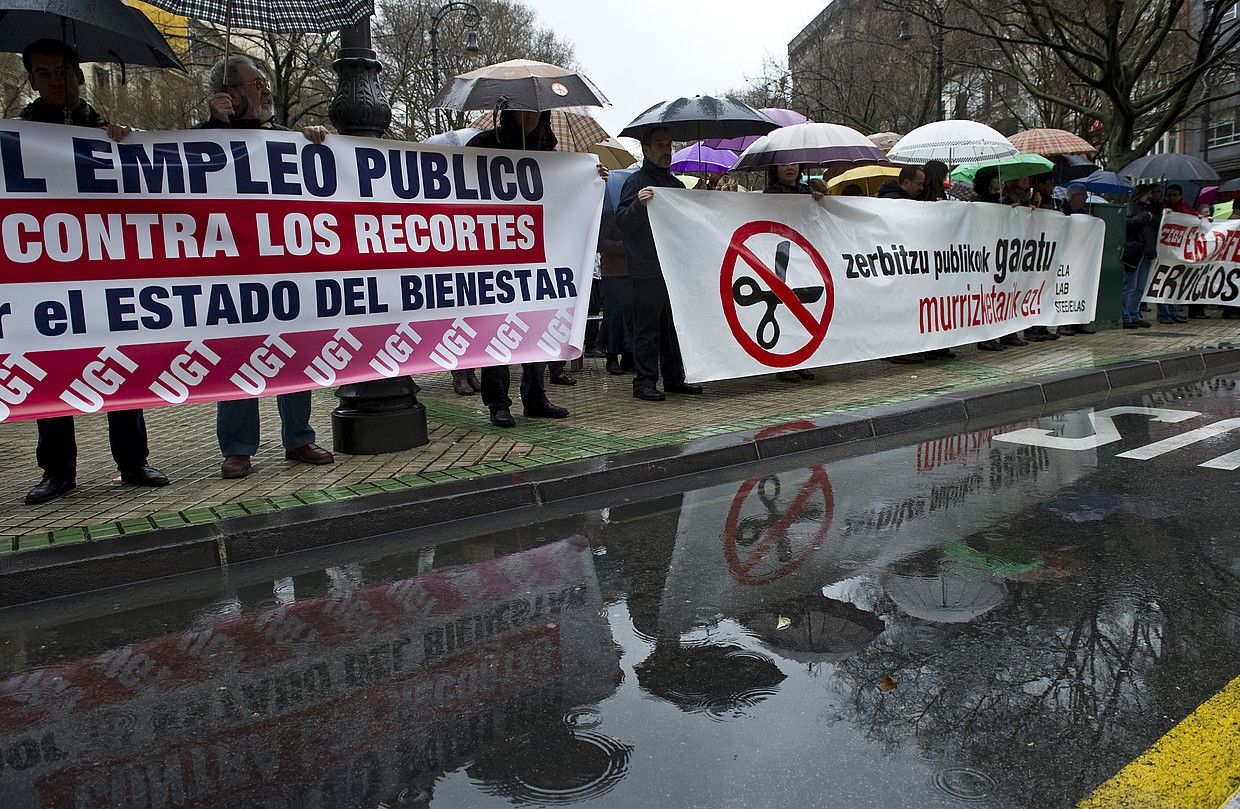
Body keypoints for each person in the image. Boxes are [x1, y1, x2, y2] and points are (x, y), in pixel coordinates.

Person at [18, 40, 168, 505]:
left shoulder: (105, 130)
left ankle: (133, 462)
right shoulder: (18, 133)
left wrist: (125, 140)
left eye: (62, 70)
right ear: (32, 81)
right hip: (46, 275)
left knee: (120, 367)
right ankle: (57, 472)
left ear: (79, 76)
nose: (55, 80)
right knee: (53, 369)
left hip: (107, 272)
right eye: (43, 74)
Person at [199, 55, 335, 477]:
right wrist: (216, 125)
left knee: (293, 354)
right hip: (233, 270)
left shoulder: (283, 138)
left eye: (264, 82)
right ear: (230, 92)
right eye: (256, 84)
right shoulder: (204, 137)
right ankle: (238, 448)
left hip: (284, 267)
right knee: (239, 355)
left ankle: (300, 438)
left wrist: (313, 139)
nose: (266, 89)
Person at [467, 110, 607, 424]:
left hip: (539, 256)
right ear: (508, 113)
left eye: (534, 112)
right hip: (496, 255)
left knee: (537, 327)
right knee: (496, 330)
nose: (529, 117)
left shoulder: (551, 155)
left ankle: (535, 397)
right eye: (522, 111)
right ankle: (498, 403)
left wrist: (592, 179)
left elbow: (570, 197)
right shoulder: (485, 145)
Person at [617, 126, 703, 402]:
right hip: (646, 270)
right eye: (660, 145)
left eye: (669, 145)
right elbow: (623, 224)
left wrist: (700, 199)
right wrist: (638, 206)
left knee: (673, 328)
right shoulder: (635, 183)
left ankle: (674, 378)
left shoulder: (677, 186)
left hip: (673, 269)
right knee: (648, 329)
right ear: (646, 149)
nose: (667, 150)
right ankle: (644, 382)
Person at [764, 165, 820, 380]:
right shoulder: (771, 194)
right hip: (780, 257)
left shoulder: (806, 191)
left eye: (793, 163)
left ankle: (801, 361)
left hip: (802, 257)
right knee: (784, 310)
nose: (790, 168)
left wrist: (818, 202)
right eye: (784, 164)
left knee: (802, 309)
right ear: (775, 169)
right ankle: (783, 365)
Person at [972, 167, 1026, 351]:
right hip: (984, 258)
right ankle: (986, 336)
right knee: (986, 297)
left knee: (1001, 296)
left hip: (1001, 255)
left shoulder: (1000, 199)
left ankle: (1003, 332)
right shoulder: (978, 201)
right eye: (996, 177)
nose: (999, 180)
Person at [597, 213, 634, 375]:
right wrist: (624, 245)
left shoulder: (632, 216)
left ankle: (629, 354)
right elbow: (601, 244)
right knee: (613, 316)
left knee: (630, 314)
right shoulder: (608, 217)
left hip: (632, 272)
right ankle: (611, 356)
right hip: (612, 273)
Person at [1123, 183, 1160, 329]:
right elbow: (1128, 223)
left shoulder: (1151, 209)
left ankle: (1134, 313)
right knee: (1130, 286)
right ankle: (1126, 315)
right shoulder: (1132, 207)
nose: (1150, 196)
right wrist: (1144, 217)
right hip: (1135, 251)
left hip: (1147, 252)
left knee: (1140, 287)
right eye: (1148, 193)